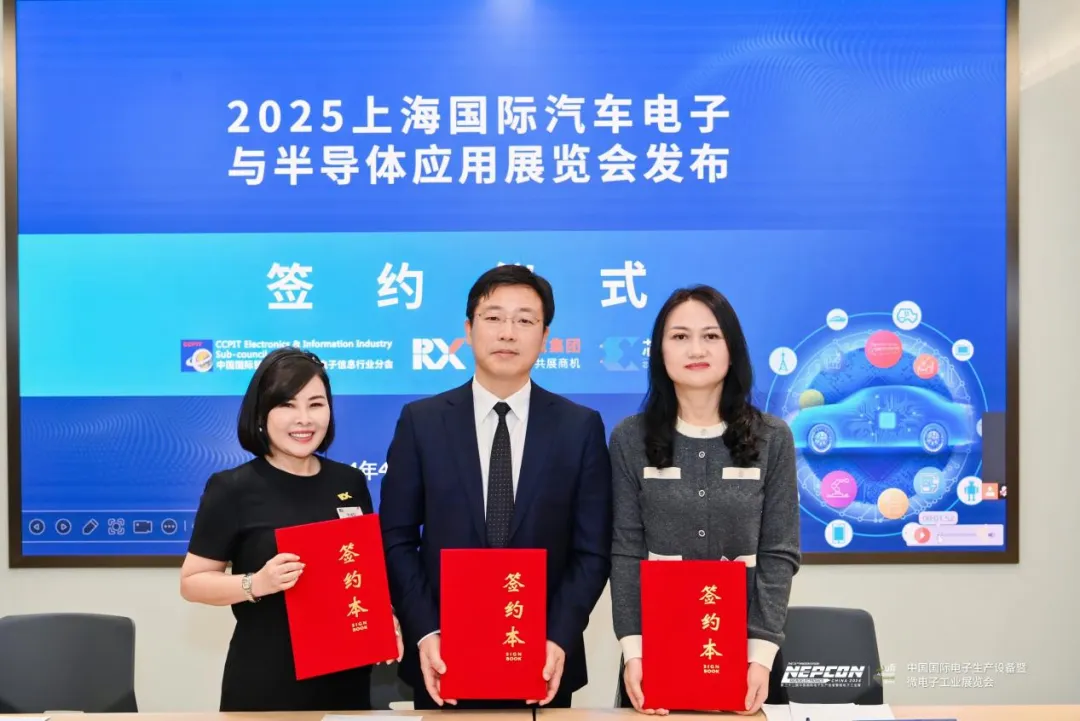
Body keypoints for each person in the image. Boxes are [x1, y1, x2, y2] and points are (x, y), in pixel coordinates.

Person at [379, 264, 613, 709]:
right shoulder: (421, 422)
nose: (508, 332)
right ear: (469, 329)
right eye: (494, 317)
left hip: (543, 661)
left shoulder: (579, 427)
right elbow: (396, 538)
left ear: (545, 337)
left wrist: (558, 636)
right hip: (443, 659)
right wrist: (426, 631)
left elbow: (592, 551)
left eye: (525, 320)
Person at [608, 285, 800, 716]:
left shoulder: (772, 438)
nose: (696, 349)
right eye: (680, 336)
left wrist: (761, 654)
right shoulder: (629, 439)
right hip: (657, 653)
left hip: (750, 658)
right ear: (660, 351)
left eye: (711, 336)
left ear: (733, 349)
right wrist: (633, 649)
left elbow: (778, 552)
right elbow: (626, 551)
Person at [180, 347, 403, 712]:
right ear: (261, 414)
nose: (304, 419)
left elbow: (362, 571)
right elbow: (192, 582)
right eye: (287, 405)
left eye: (316, 404)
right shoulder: (232, 488)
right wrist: (257, 583)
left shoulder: (349, 481)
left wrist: (384, 617)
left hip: (347, 677)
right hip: (268, 680)